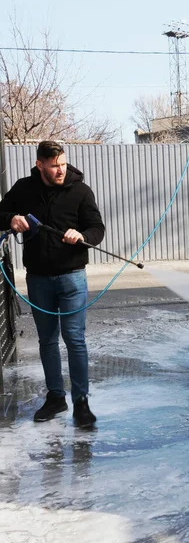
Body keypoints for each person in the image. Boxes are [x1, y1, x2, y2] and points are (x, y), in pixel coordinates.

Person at [0, 140, 105, 427]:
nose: (61, 170)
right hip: (38, 279)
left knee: (74, 338)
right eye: (54, 166)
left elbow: (97, 229)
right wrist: (12, 219)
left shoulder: (80, 191)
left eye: (62, 164)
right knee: (47, 340)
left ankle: (81, 403)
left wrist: (80, 236)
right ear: (40, 165)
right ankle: (56, 397)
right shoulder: (23, 189)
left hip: (72, 276)